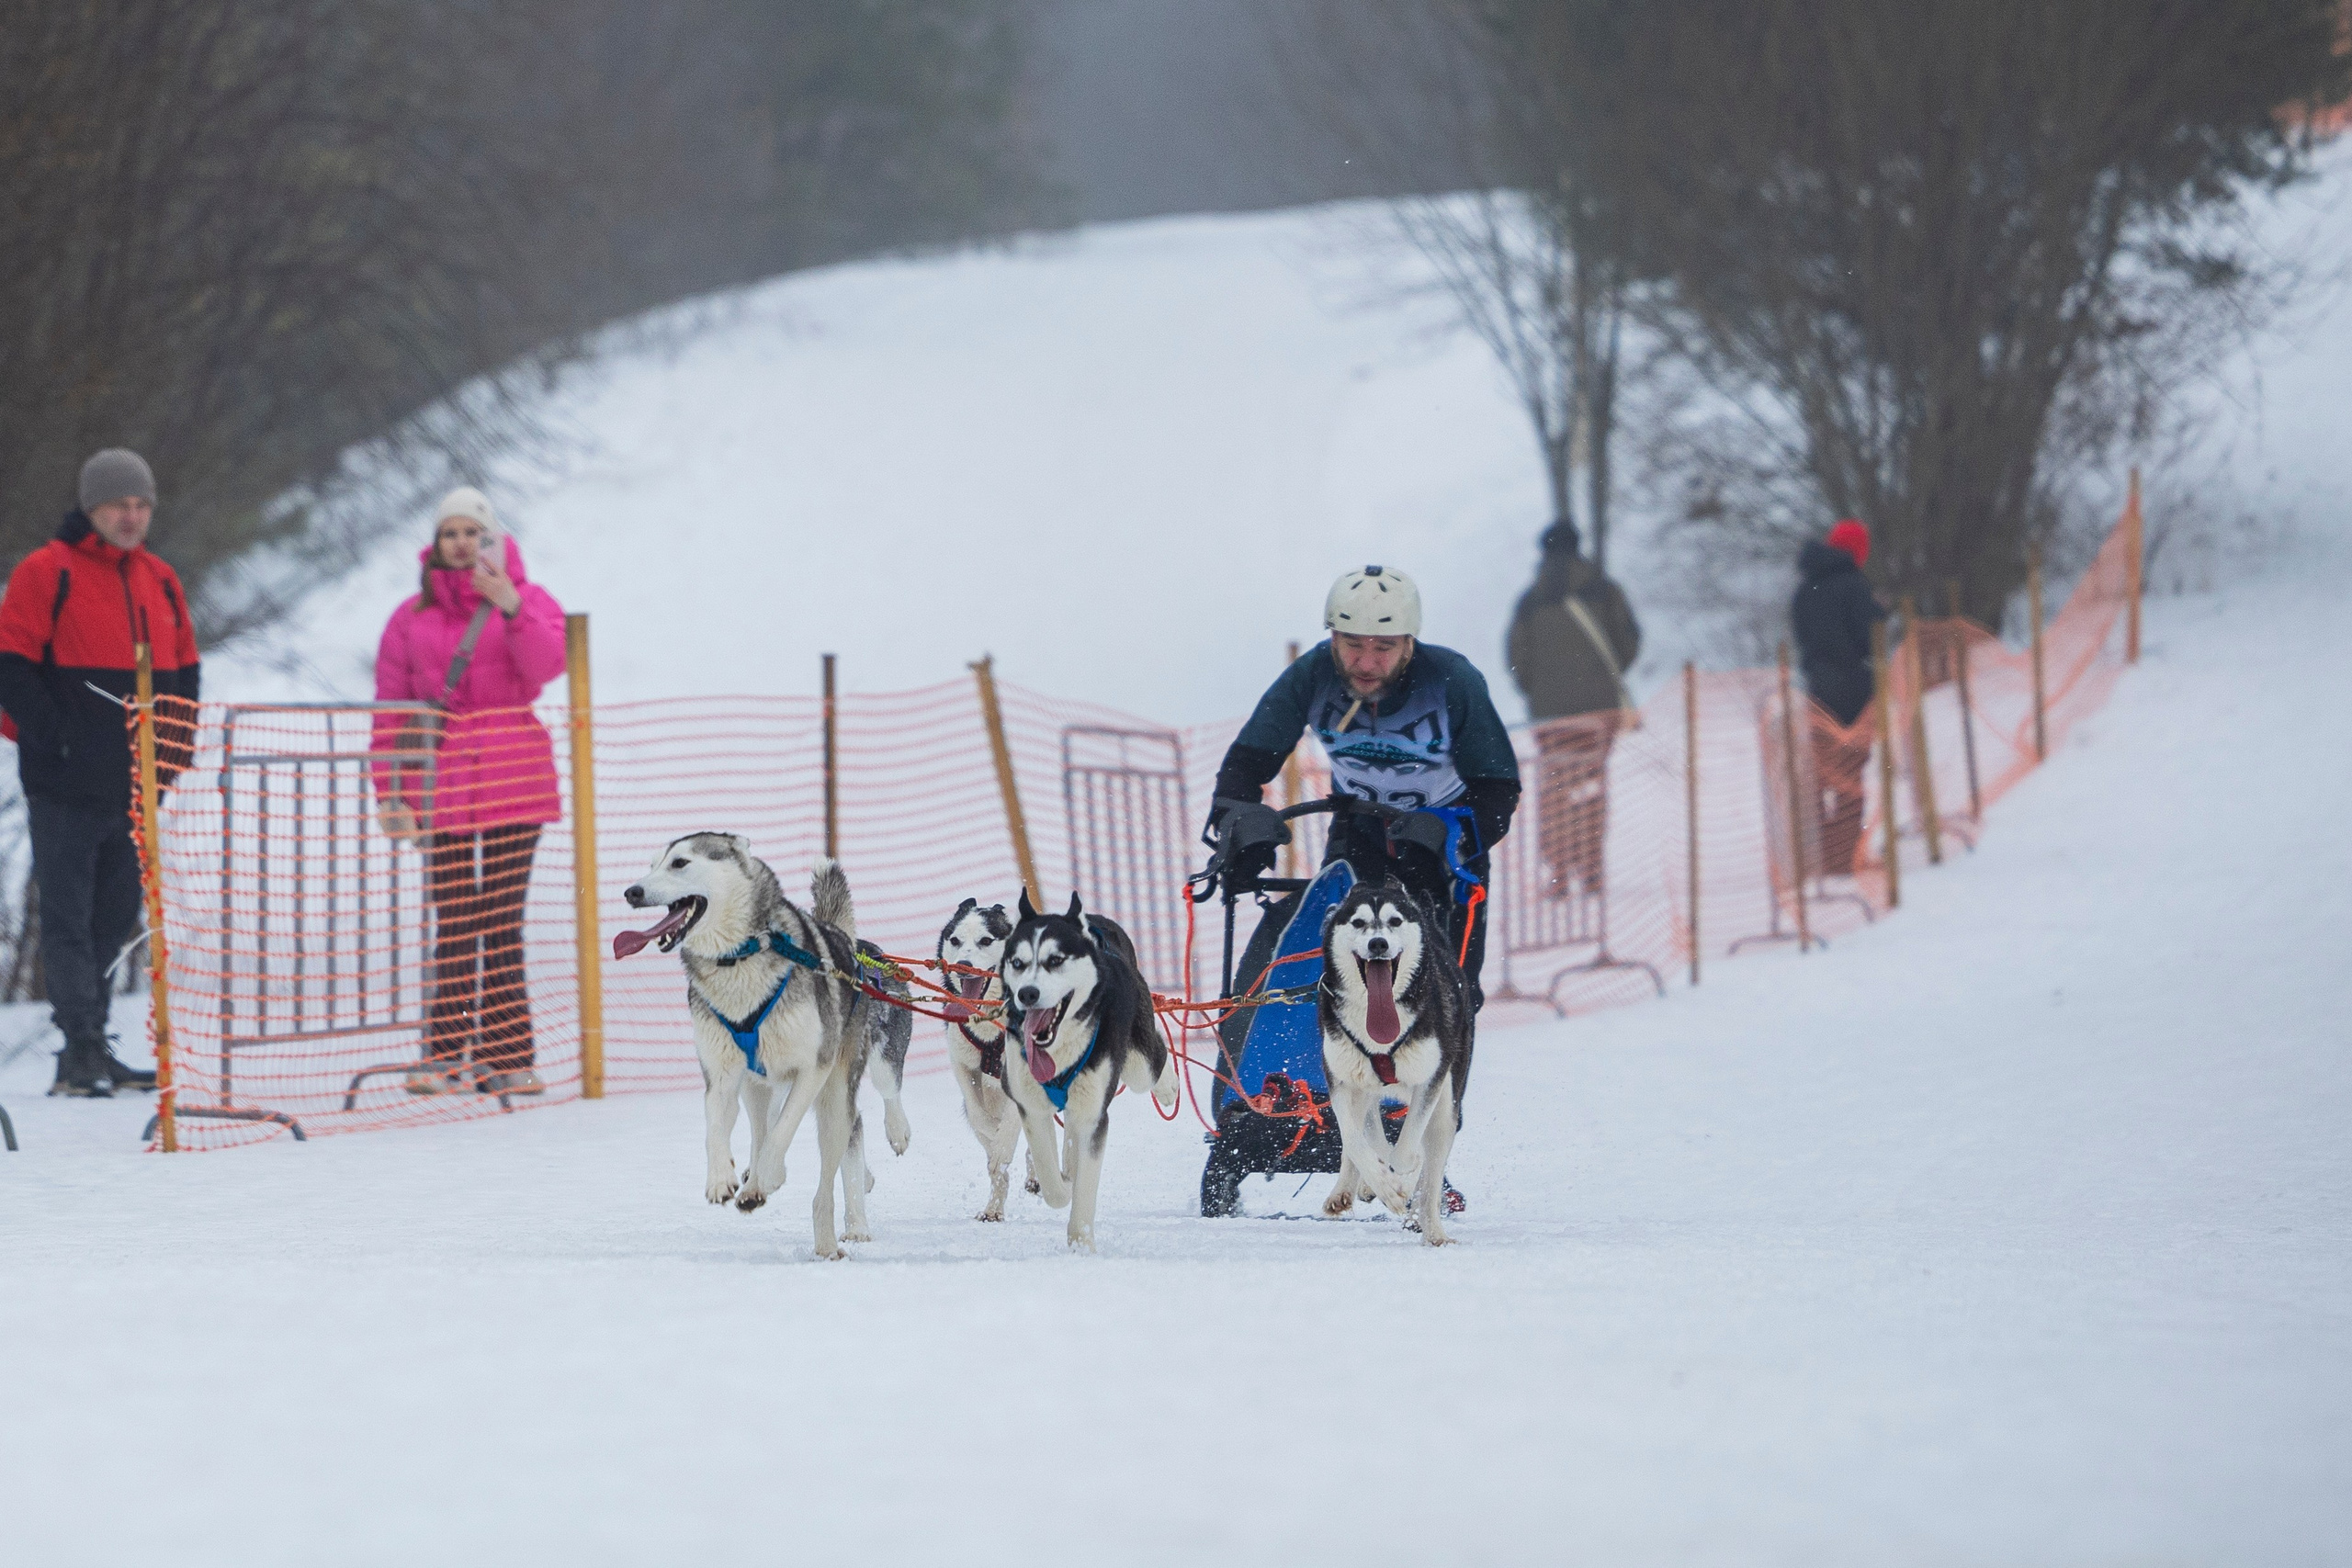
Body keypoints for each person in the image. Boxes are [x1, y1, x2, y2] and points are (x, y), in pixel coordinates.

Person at [1209, 565, 1521, 1008]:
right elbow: (1248, 761)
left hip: (1444, 842)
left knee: (1447, 997)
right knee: (1340, 985)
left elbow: (1498, 789)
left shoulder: (1451, 679)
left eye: (1384, 647)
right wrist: (1238, 823)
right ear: (1333, 638)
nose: (1367, 662)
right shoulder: (1312, 674)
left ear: (1410, 643)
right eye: (1353, 644)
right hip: (1359, 831)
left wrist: (1452, 834)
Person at [0, 450, 197, 1097]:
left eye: (142, 505)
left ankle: (98, 1042)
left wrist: (172, 750)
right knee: (68, 916)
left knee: (114, 919)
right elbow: (11, 666)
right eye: (120, 506)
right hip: (63, 783)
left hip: (135, 786)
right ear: (92, 509)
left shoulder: (161, 578)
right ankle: (79, 1047)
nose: (132, 517)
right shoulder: (44, 571)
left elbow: (185, 673)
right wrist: (54, 738)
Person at [371, 488, 567, 1097]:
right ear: (435, 544)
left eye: (474, 532)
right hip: (441, 778)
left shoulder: (529, 600)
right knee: (455, 916)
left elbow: (548, 665)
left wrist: (510, 607)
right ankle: (442, 1053)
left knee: (501, 918)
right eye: (451, 532)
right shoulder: (410, 617)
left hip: (514, 773)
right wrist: (389, 792)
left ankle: (509, 1055)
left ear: (493, 540)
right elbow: (391, 709)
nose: (462, 543)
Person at [1504, 518, 1641, 897]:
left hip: (1551, 716)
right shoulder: (1604, 590)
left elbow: (1516, 657)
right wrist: (1602, 678)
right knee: (1592, 784)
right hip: (1599, 711)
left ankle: (1559, 870)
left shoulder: (1531, 599)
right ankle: (1592, 869)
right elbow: (1628, 640)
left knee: (1556, 788)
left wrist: (1536, 690)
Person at [1791, 518, 1887, 875]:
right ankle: (1845, 854)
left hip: (1817, 687)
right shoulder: (1853, 584)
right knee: (1852, 771)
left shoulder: (1805, 588)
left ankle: (1822, 852)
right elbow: (1868, 636)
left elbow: (1804, 636)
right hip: (1853, 687)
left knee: (1823, 771)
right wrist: (1879, 610)